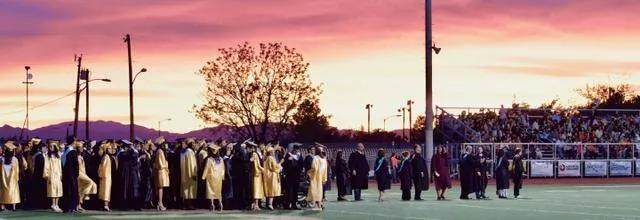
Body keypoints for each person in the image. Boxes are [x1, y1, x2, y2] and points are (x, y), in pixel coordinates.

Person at [116, 140, 141, 210]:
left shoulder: (127, 153)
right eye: (128, 146)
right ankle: (124, 205)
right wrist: (133, 150)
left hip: (129, 173)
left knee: (130, 189)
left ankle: (131, 205)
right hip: (124, 173)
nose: (129, 148)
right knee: (124, 189)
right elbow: (132, 156)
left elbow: (134, 158)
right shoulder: (121, 153)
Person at [202, 144, 225, 212]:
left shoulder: (209, 159)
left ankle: (212, 204)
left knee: (211, 191)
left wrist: (203, 177)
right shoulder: (221, 159)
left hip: (211, 177)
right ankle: (220, 203)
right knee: (218, 191)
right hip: (219, 177)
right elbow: (223, 168)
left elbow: (206, 168)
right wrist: (222, 176)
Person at [1, 141, 21, 211]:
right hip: (12, 178)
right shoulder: (14, 159)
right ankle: (14, 207)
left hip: (3, 177)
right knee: (13, 191)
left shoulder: (2, 159)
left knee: (3, 191)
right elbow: (17, 170)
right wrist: (17, 178)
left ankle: (2, 207)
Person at [77, 142, 97, 212]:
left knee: (81, 189)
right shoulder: (76, 156)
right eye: (80, 147)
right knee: (90, 182)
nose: (81, 149)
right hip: (79, 173)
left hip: (83, 173)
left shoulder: (81, 156)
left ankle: (79, 205)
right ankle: (86, 196)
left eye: (82, 147)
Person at [43, 141, 63, 212]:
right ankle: (53, 204)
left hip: (58, 174)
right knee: (53, 189)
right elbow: (46, 166)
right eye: (50, 146)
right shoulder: (47, 156)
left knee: (58, 189)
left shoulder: (58, 156)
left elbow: (60, 166)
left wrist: (61, 174)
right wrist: (47, 175)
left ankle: (57, 205)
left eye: (53, 146)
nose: (51, 148)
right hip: (51, 175)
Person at [61, 137, 79, 213]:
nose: (76, 143)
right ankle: (71, 208)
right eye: (76, 141)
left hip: (65, 174)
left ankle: (66, 207)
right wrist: (76, 174)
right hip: (71, 175)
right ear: (73, 142)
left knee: (66, 191)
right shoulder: (72, 152)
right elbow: (75, 165)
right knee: (72, 191)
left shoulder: (65, 151)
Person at [307, 146, 327, 210]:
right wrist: (324, 178)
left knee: (314, 191)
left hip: (315, 177)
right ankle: (320, 204)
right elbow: (325, 169)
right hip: (321, 177)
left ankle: (317, 205)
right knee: (319, 191)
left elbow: (314, 168)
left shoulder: (315, 158)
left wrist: (308, 172)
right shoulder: (324, 159)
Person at [282, 143, 302, 209]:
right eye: (296, 150)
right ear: (293, 149)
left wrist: (299, 170)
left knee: (295, 191)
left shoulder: (299, 155)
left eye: (298, 150)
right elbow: (284, 165)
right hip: (289, 175)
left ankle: (294, 204)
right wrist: (288, 160)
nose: (296, 151)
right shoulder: (288, 155)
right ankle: (287, 204)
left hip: (296, 176)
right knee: (289, 191)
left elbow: (301, 165)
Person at [30, 138, 48, 209]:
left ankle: (37, 204)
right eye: (44, 147)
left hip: (35, 174)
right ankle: (41, 205)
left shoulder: (34, 154)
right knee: (40, 191)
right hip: (40, 175)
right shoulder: (40, 156)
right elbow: (42, 167)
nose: (45, 149)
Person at [180, 139, 198, 210]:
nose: (194, 144)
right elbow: (192, 164)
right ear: (190, 144)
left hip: (184, 174)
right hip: (190, 174)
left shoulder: (183, 151)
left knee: (185, 190)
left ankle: (184, 204)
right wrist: (193, 174)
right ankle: (189, 205)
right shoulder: (190, 152)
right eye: (193, 143)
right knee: (190, 189)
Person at [263, 146, 282, 210]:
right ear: (270, 152)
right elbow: (273, 167)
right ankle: (270, 204)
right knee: (272, 190)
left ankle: (269, 204)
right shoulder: (271, 158)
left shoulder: (267, 158)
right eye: (273, 151)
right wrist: (279, 167)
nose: (274, 152)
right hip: (272, 176)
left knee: (270, 190)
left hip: (269, 175)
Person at [153, 137, 170, 211]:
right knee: (160, 188)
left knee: (161, 188)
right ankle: (160, 203)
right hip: (161, 172)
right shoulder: (160, 151)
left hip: (162, 172)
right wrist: (166, 167)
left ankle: (160, 203)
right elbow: (160, 164)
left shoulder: (160, 151)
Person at [97, 142, 113, 211]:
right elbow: (103, 167)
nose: (110, 150)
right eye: (109, 149)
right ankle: (105, 205)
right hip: (106, 176)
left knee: (104, 191)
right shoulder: (106, 157)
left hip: (106, 176)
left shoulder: (105, 157)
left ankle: (103, 205)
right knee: (106, 191)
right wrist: (102, 175)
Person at [249, 144, 265, 211]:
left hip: (258, 173)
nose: (263, 147)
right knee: (256, 189)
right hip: (257, 174)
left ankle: (256, 204)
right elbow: (256, 165)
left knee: (257, 189)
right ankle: (255, 205)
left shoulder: (260, 153)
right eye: (262, 145)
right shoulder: (255, 154)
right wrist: (264, 170)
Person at [139, 140, 154, 208]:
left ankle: (149, 201)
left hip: (149, 172)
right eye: (147, 144)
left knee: (149, 188)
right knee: (146, 187)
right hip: (144, 173)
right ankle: (145, 202)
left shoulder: (149, 152)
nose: (148, 146)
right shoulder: (142, 152)